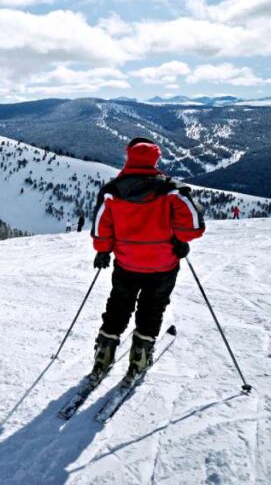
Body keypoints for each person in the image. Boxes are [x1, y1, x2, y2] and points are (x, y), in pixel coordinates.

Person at [88, 137, 205, 384]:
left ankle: (104, 352)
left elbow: (101, 226)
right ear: (155, 159)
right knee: (152, 307)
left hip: (127, 262)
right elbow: (194, 226)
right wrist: (180, 240)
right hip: (163, 264)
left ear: (128, 156)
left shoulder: (113, 191)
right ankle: (140, 355)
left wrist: (103, 250)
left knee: (119, 303)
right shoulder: (172, 190)